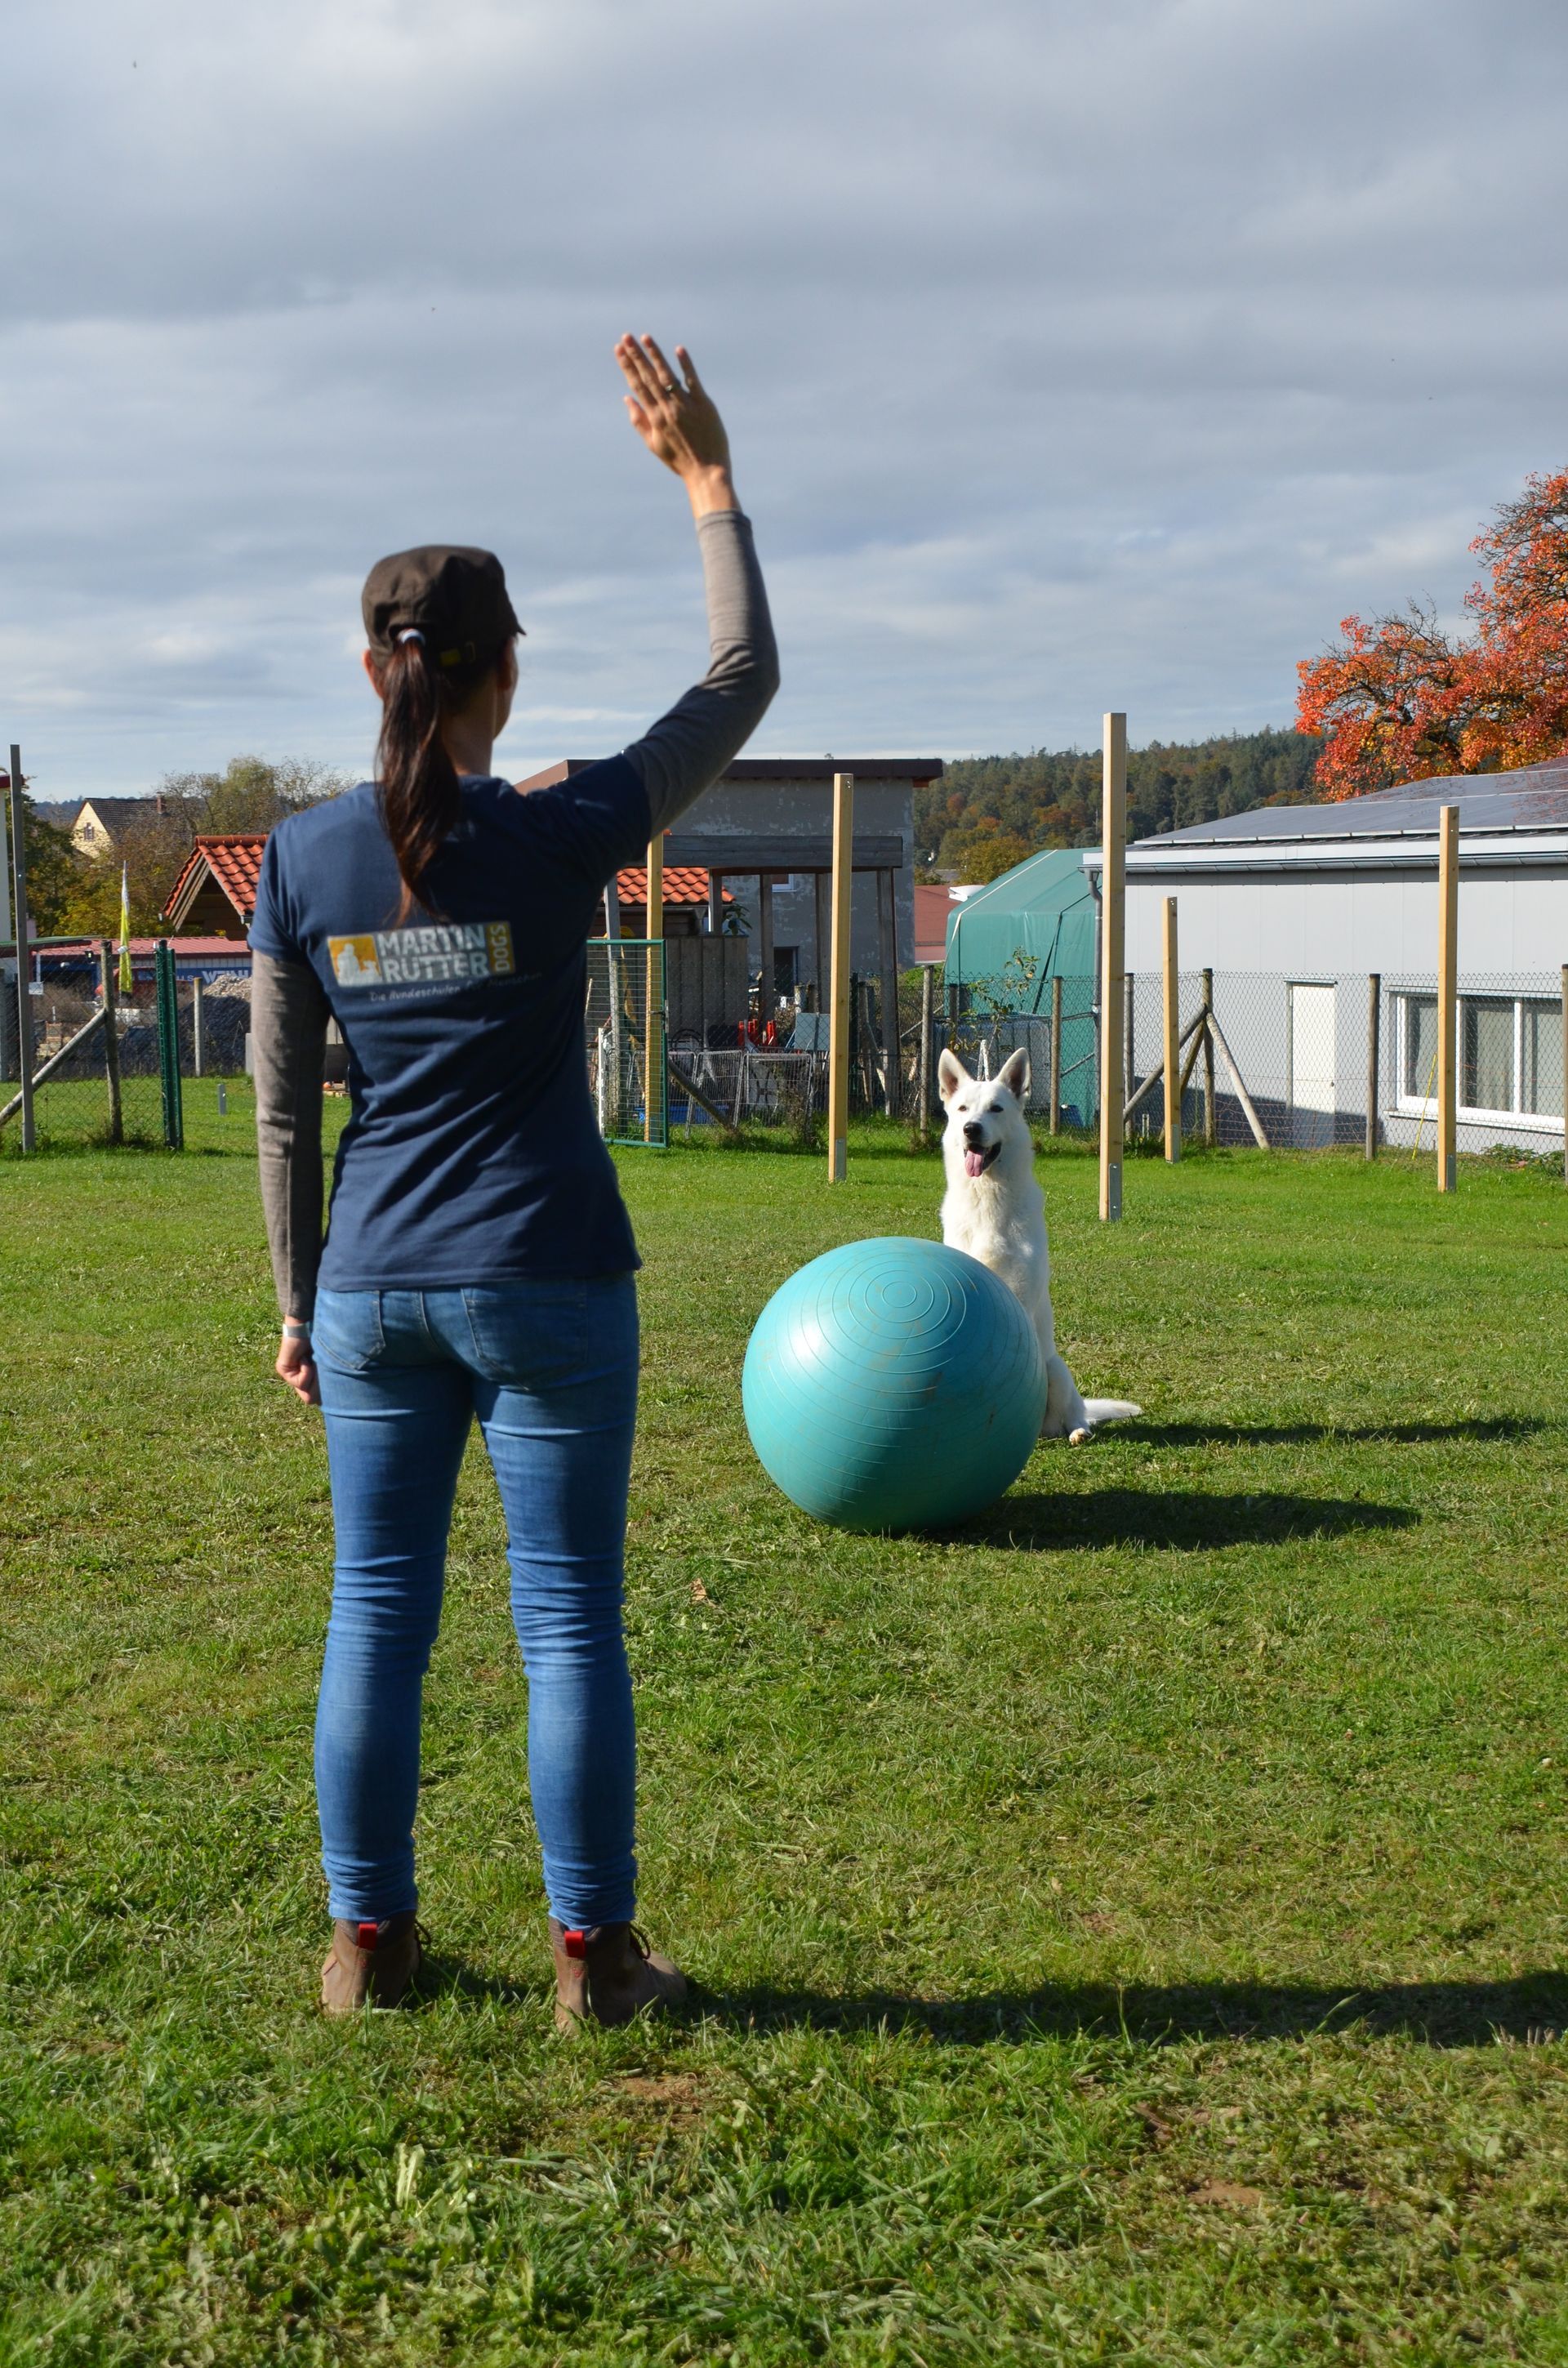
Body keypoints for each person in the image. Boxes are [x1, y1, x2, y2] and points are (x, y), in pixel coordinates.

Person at [248, 335, 777, 2025]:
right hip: (548, 1275)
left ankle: (368, 1949)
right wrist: (706, 487)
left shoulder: (300, 857)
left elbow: (276, 1111)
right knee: (566, 1630)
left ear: (371, 669)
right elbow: (740, 679)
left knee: (376, 1620)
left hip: (375, 1288)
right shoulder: (562, 828)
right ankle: (596, 1965)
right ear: (504, 678)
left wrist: (294, 1300)